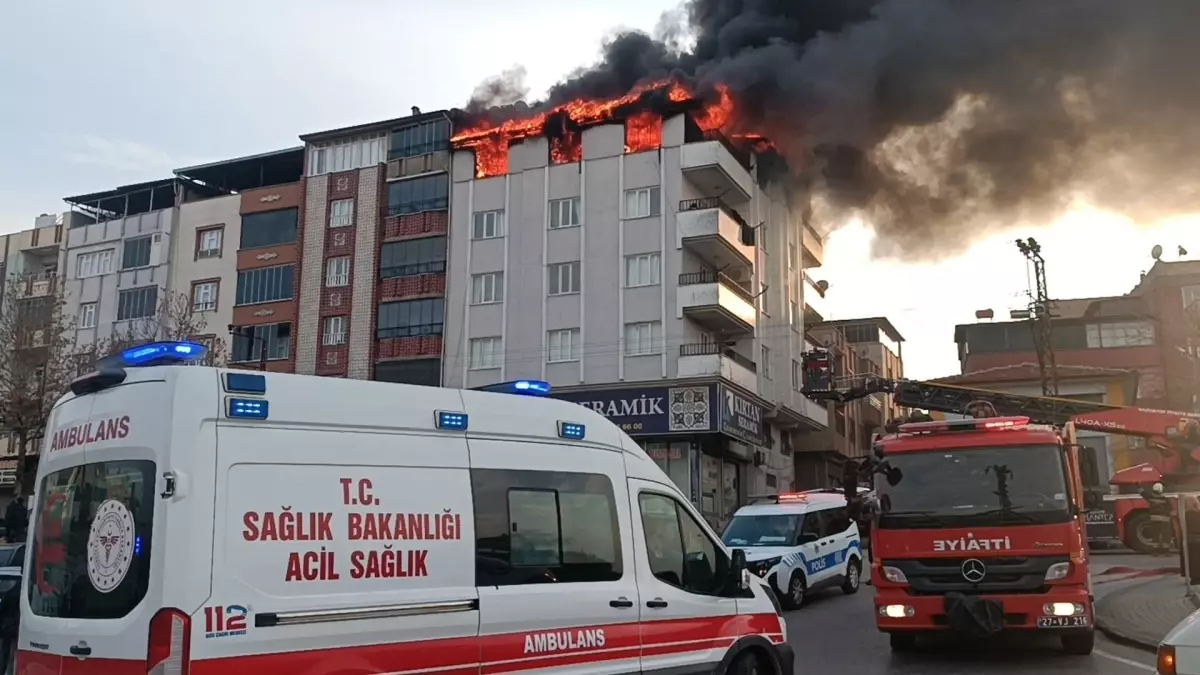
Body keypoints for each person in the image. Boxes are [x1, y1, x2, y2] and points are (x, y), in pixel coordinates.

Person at [1141, 482, 1173, 555]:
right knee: (1166, 535)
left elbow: (1143, 493)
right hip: (1165, 520)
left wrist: (1137, 486)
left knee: (1155, 535)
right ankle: (1166, 551)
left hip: (1154, 519)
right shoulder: (1165, 499)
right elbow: (1170, 509)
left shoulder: (1151, 497)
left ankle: (1155, 551)